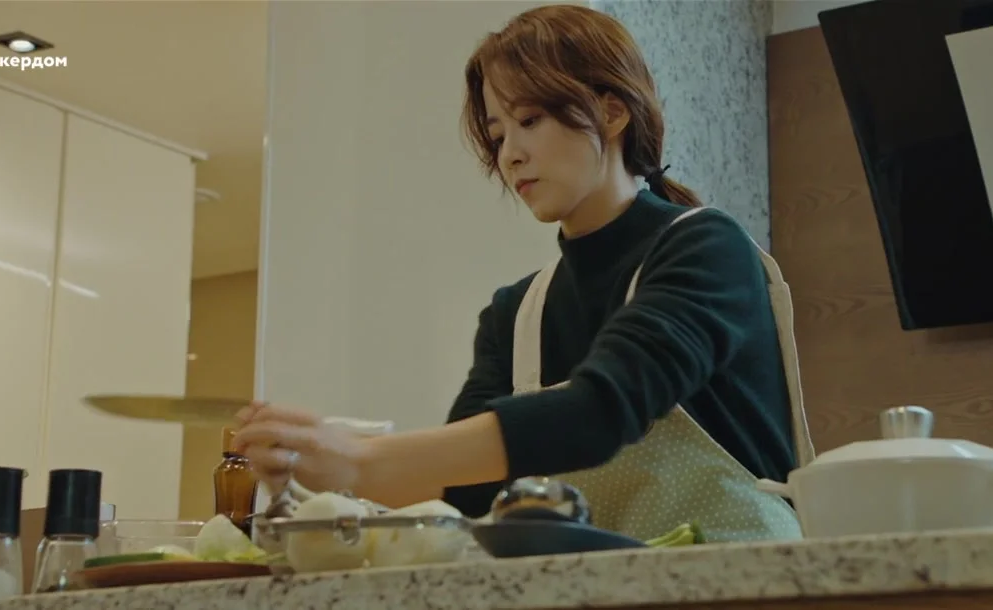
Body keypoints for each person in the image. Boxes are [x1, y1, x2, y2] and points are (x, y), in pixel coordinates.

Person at [233, 4, 815, 543]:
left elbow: (601, 411)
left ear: (612, 111)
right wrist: (310, 463)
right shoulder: (515, 314)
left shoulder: (706, 246)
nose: (509, 153)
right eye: (497, 135)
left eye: (530, 120)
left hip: (748, 588)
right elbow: (463, 493)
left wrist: (361, 459)